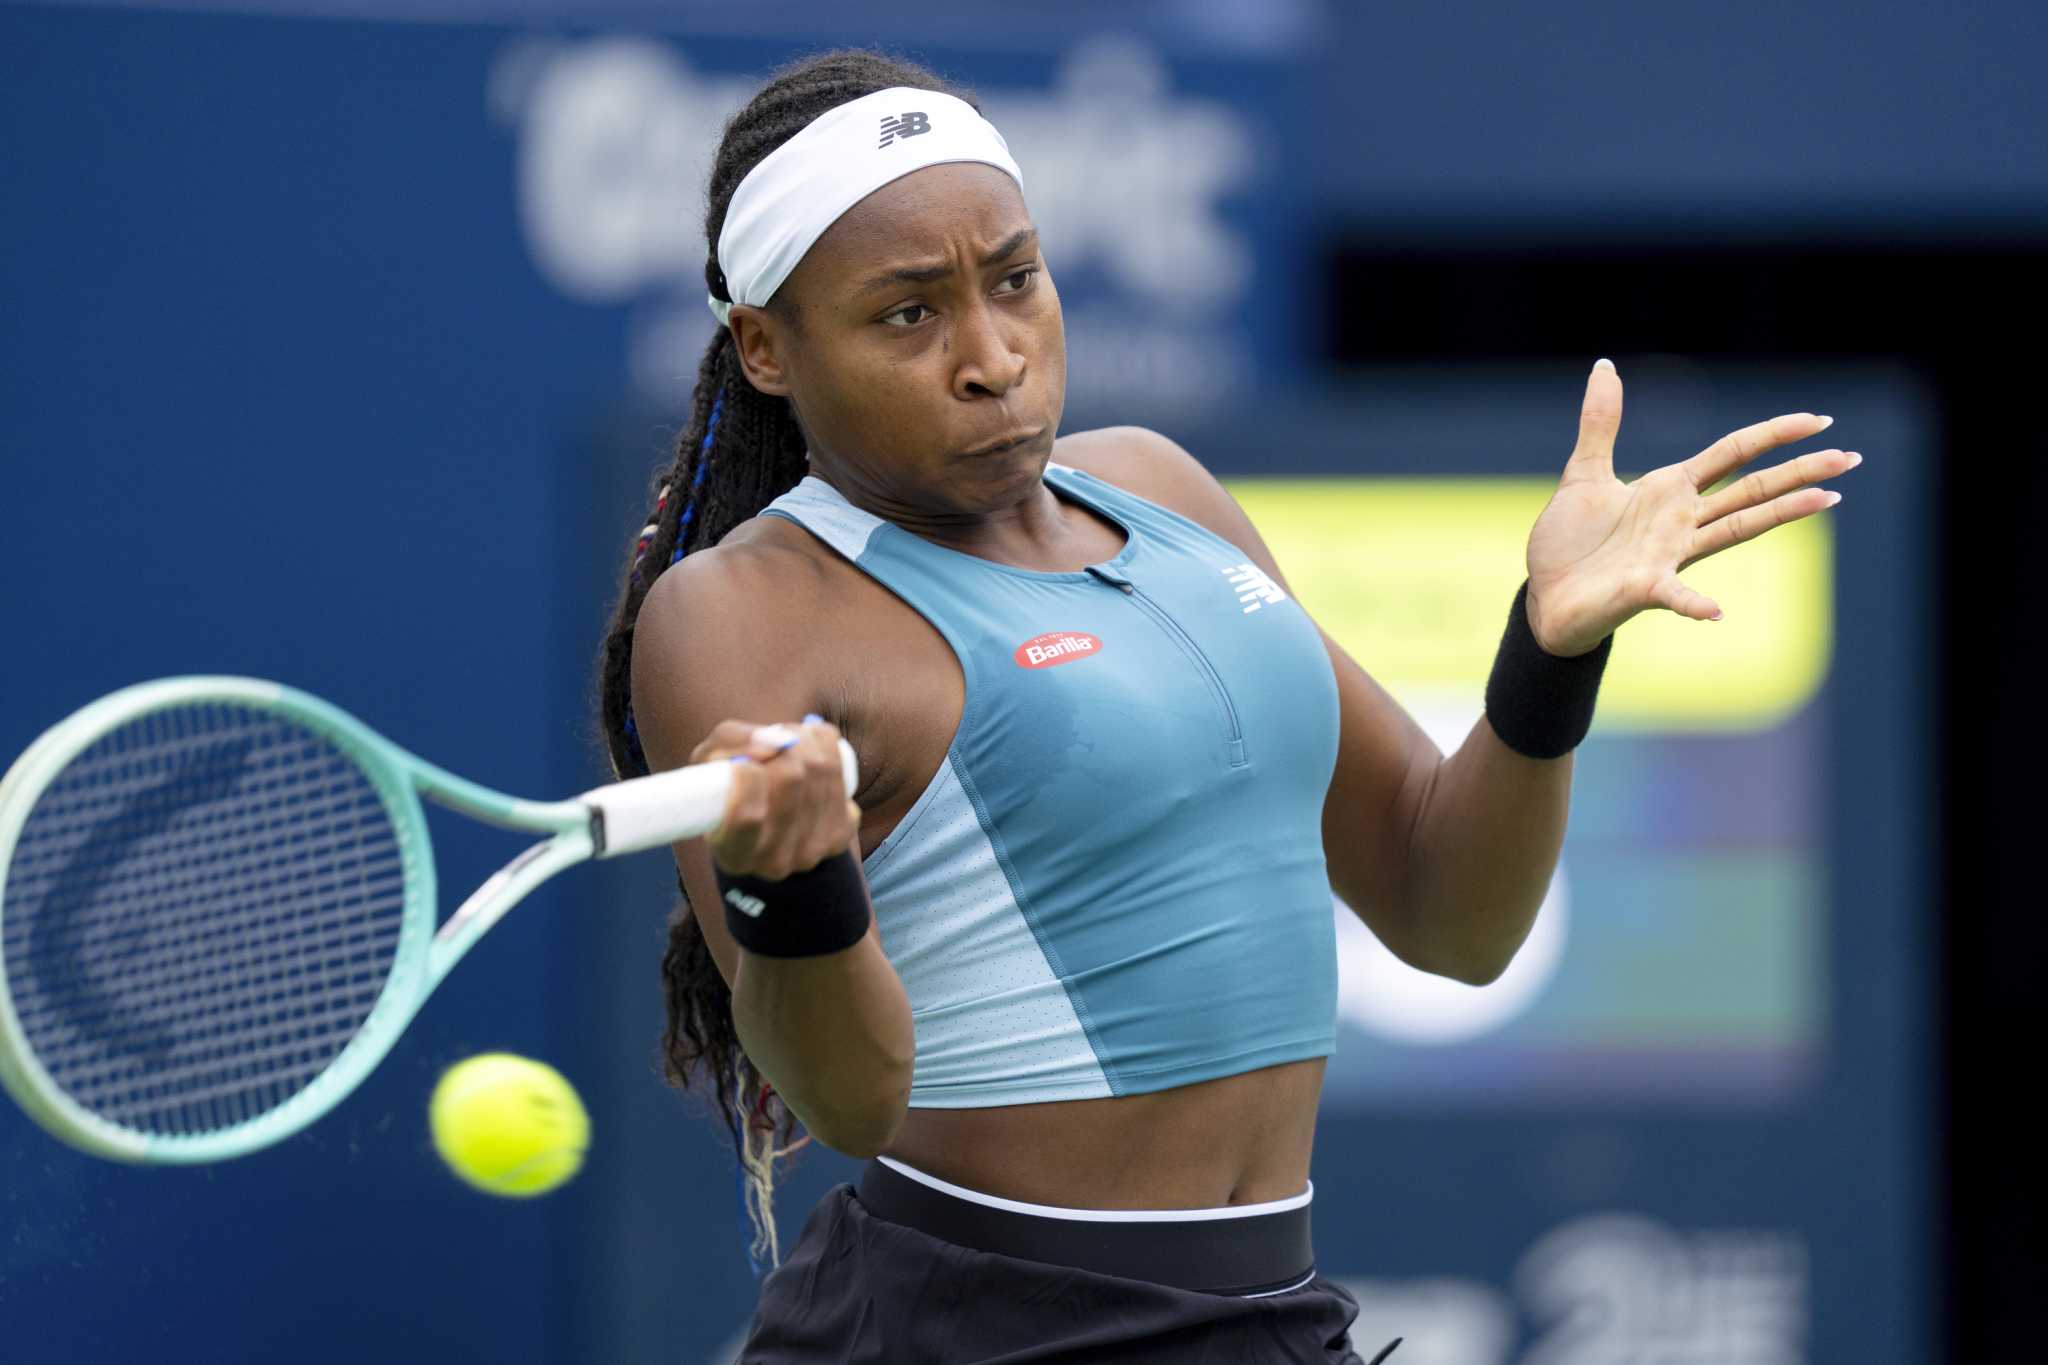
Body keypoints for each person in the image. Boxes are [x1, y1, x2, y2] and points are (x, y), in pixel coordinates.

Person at [593, 49, 1857, 1365]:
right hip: (969, 1329)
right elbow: (844, 1098)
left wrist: (1544, 657)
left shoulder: (1163, 487)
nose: (992, 355)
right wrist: (790, 889)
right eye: (908, 315)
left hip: (1259, 1319)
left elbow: (1448, 908)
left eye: (1015, 279)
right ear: (765, 349)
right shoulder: (740, 610)